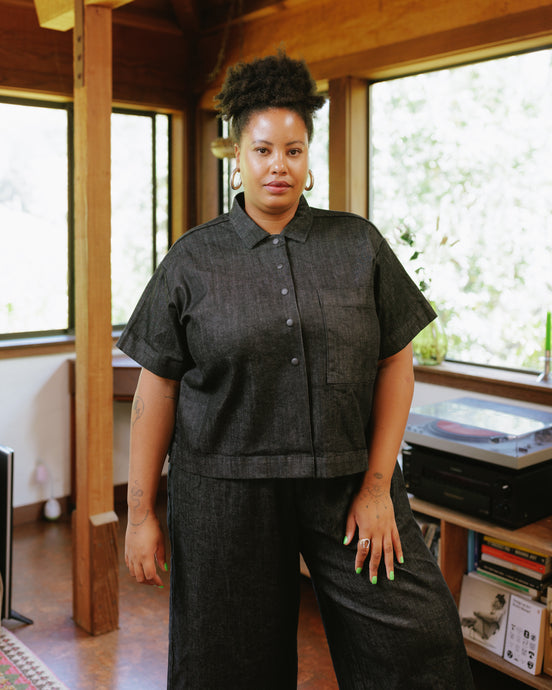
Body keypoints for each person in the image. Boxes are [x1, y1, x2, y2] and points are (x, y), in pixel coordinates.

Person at [118, 51, 474, 689]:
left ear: (309, 158)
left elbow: (397, 362)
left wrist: (375, 489)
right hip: (224, 493)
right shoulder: (191, 260)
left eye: (293, 150)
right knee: (227, 668)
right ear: (237, 156)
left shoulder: (358, 244)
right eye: (262, 150)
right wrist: (141, 514)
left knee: (419, 644)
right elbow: (157, 389)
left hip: (345, 485)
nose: (278, 165)